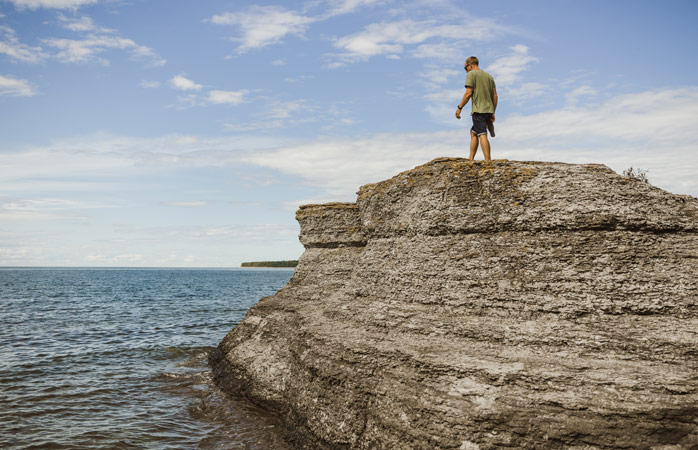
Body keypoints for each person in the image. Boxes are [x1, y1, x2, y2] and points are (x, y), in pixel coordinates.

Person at [455, 56, 498, 161]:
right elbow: (495, 95)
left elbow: (468, 93)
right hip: (488, 109)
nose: (466, 71)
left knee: (482, 133)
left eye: (465, 68)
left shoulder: (471, 74)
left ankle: (488, 160)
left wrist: (459, 107)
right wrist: (493, 111)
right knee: (474, 132)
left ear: (470, 65)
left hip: (478, 109)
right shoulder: (489, 76)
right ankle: (471, 158)